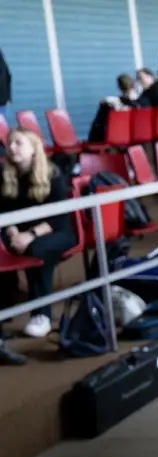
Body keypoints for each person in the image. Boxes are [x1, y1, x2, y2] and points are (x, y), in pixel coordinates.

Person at [1, 128, 73, 348]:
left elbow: (58, 218)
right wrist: (13, 233)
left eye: (18, 143)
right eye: (9, 143)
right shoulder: (5, 176)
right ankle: (6, 306)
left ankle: (41, 314)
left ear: (34, 149)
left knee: (38, 249)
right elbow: (3, 211)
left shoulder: (53, 174)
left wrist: (29, 235)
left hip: (55, 232)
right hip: (19, 232)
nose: (12, 147)